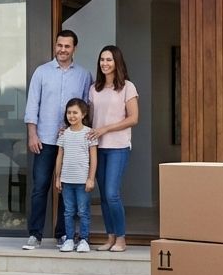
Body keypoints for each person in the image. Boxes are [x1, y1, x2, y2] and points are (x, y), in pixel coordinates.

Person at [22, 30, 93, 250]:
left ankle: (64, 234)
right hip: (44, 139)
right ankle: (35, 234)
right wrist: (32, 134)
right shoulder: (41, 73)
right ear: (55, 46)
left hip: (71, 142)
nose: (62, 49)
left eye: (67, 46)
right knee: (40, 187)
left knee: (68, 188)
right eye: (59, 45)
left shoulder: (83, 75)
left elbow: (85, 109)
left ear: (74, 49)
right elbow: (33, 104)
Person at [88, 45, 139, 252]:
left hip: (118, 147)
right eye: (102, 59)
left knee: (111, 193)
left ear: (117, 62)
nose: (105, 63)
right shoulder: (94, 88)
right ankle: (110, 238)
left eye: (109, 59)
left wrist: (106, 128)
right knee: (103, 195)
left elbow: (134, 118)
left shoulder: (128, 87)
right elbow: (90, 119)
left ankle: (121, 238)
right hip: (97, 148)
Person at [54, 98, 98, 254]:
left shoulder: (89, 134)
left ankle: (84, 239)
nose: (71, 116)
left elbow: (93, 158)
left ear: (83, 114)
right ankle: (69, 239)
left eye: (75, 113)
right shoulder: (64, 134)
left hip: (82, 181)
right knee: (68, 211)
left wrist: (91, 178)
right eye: (69, 112)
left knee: (83, 211)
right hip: (67, 180)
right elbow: (60, 156)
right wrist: (58, 178)